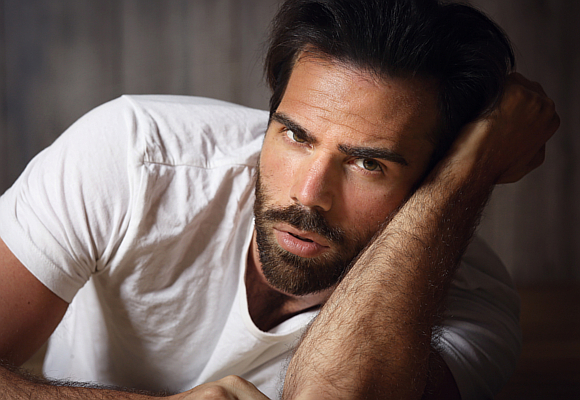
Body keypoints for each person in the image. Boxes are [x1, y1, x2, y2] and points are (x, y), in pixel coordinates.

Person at [0, 0, 559, 399]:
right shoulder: (135, 159)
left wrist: (469, 170)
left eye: (369, 163)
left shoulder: (468, 307)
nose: (308, 195)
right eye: (295, 135)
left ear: (436, 177)